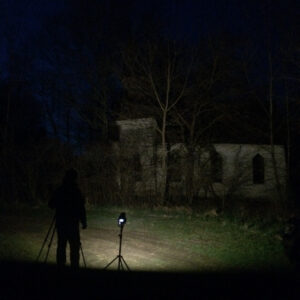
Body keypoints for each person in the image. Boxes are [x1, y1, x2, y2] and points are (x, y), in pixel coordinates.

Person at [49, 168, 87, 269]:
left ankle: (61, 265)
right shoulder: (76, 191)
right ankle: (74, 266)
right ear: (75, 178)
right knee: (74, 248)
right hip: (73, 224)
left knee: (61, 246)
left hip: (61, 223)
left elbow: (51, 204)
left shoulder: (60, 190)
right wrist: (84, 222)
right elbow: (81, 208)